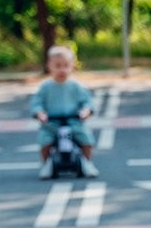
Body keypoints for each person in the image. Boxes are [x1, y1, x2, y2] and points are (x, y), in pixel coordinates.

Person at [30, 45, 99, 179]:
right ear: (50, 66)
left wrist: (86, 111)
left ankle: (87, 162)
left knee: (87, 141)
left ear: (72, 66)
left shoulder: (76, 86)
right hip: (51, 124)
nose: (62, 69)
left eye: (66, 65)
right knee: (44, 142)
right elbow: (37, 103)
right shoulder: (45, 87)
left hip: (74, 122)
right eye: (57, 65)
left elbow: (87, 101)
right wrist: (40, 113)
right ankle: (46, 164)